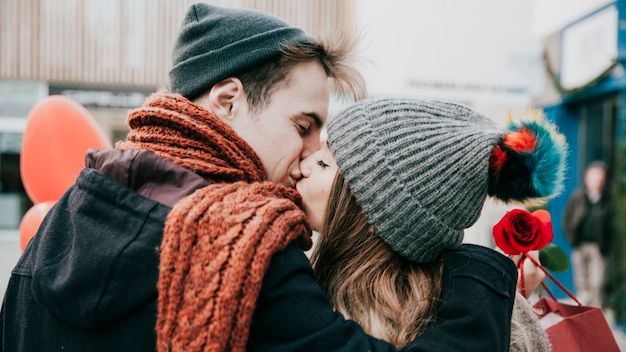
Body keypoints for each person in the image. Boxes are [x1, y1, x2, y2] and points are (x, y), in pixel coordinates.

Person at [2, 4, 518, 352]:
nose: (312, 153)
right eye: (304, 126)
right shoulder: (243, 252)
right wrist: (474, 276)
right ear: (227, 101)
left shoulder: (68, 215)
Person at [297, 98, 568, 351]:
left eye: (323, 163)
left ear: (378, 215)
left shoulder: (345, 324)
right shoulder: (467, 311)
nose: (303, 165)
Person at [563, 160, 611, 307]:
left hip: (598, 248)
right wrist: (572, 238)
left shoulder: (607, 199)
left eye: (599, 176)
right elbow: (567, 218)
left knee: (596, 284)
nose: (596, 180)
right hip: (580, 246)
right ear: (586, 178)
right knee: (581, 283)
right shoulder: (578, 197)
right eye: (593, 176)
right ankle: (583, 316)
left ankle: (595, 316)